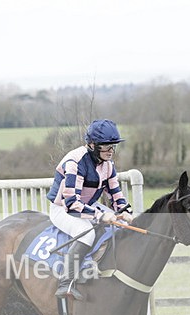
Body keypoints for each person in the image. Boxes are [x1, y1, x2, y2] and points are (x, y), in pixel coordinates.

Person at [46, 119, 133, 300]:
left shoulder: (108, 165)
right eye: (106, 147)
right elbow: (71, 204)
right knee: (86, 232)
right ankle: (66, 282)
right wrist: (101, 216)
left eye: (113, 147)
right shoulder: (75, 162)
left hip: (88, 206)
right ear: (92, 145)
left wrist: (126, 212)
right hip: (63, 209)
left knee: (120, 225)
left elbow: (115, 193)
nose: (111, 151)